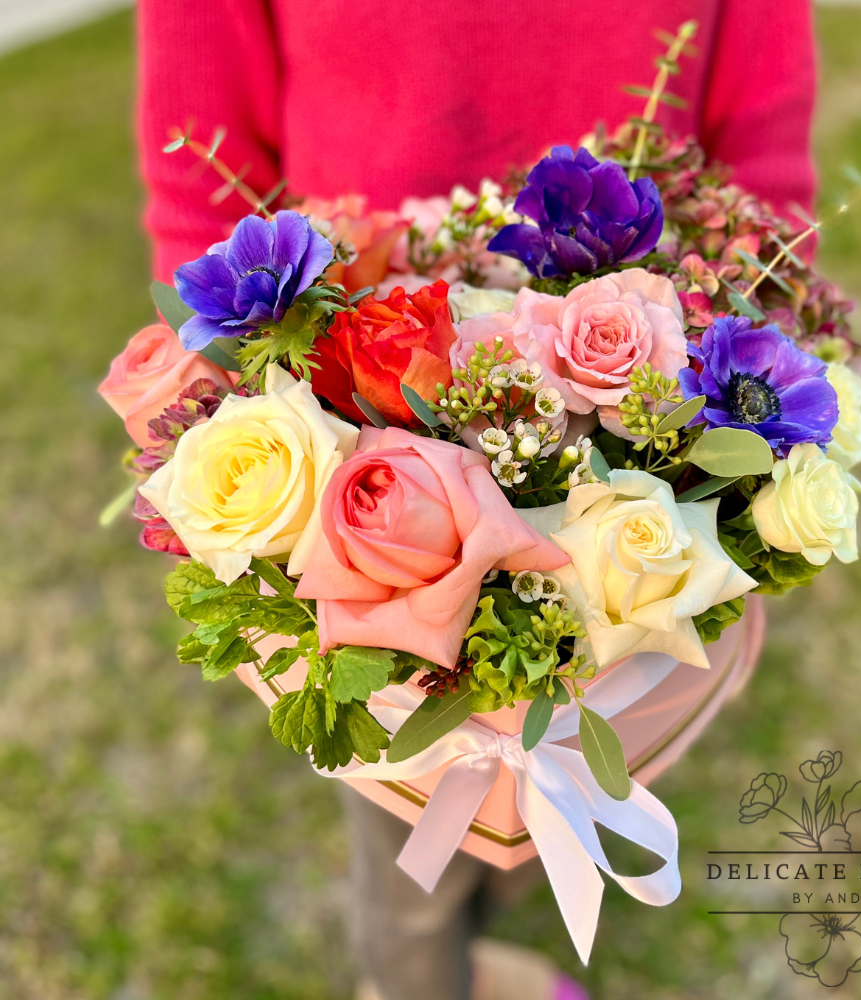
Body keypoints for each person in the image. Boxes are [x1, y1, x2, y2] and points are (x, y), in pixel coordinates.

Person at [136, 3, 817, 998]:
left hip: (642, 386)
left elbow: (760, 138)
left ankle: (473, 931)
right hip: (353, 381)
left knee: (549, 745)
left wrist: (767, 382)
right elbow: (201, 157)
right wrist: (219, 405)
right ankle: (414, 979)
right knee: (404, 783)